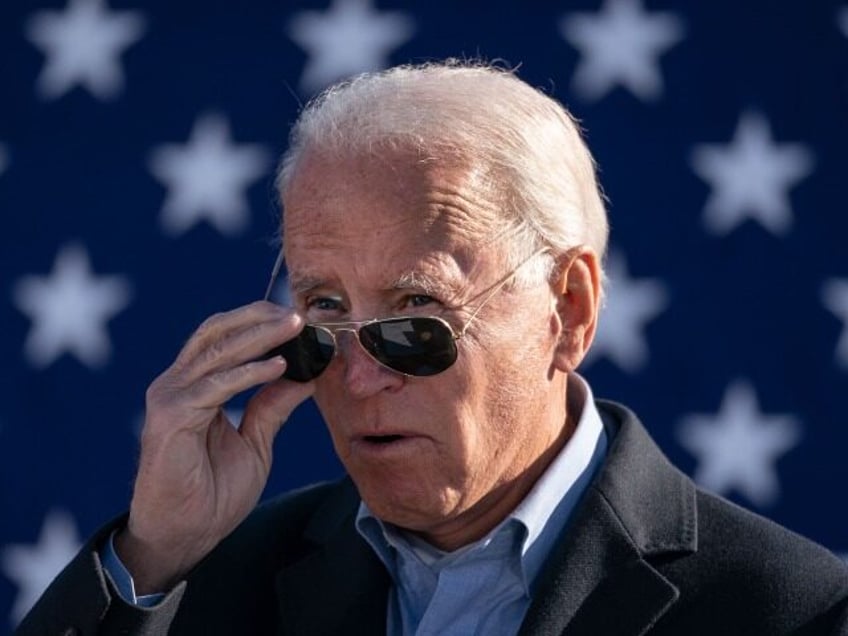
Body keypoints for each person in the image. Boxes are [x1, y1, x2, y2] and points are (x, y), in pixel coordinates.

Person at [18, 60, 848, 636]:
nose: (361, 372)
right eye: (325, 312)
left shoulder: (795, 614)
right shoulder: (202, 585)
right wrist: (154, 557)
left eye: (416, 315)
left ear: (568, 310)